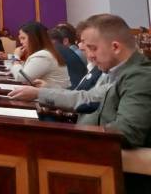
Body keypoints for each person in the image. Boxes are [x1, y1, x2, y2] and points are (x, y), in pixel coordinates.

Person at [9, 14, 151, 193]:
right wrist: (39, 93)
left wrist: (70, 141)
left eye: (93, 48)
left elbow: (126, 133)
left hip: (108, 175)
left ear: (115, 47)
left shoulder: (139, 77)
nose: (89, 56)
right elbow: (87, 97)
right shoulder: (118, 73)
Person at [10, 22, 70, 89]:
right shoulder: (46, 52)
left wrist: (15, 57)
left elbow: (22, 78)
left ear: (34, 38)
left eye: (23, 38)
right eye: (20, 39)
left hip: (53, 97)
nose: (21, 42)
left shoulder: (43, 56)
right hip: (53, 94)